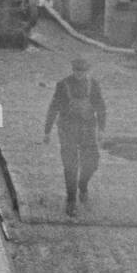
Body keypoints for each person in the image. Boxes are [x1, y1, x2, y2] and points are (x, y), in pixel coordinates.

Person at [43, 57, 106, 217]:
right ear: (73, 70)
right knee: (70, 165)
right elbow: (54, 107)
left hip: (88, 128)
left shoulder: (94, 85)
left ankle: (82, 185)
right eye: (77, 70)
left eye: (83, 71)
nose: (79, 74)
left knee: (92, 163)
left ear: (87, 71)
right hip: (67, 129)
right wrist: (47, 131)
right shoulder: (63, 85)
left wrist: (101, 129)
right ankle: (71, 200)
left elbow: (101, 107)